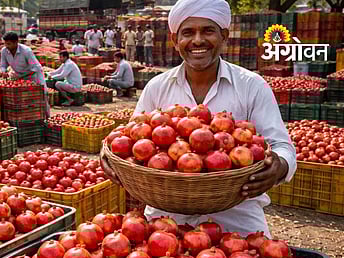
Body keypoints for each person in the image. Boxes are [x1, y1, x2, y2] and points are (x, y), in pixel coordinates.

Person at [100, 0, 297, 239]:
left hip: (236, 223)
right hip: (165, 225)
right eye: (187, 33)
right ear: (175, 40)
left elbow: (282, 147)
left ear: (224, 36)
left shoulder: (252, 86)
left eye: (208, 30)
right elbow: (131, 140)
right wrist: (110, 155)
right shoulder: (157, 87)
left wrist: (279, 167)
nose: (197, 40)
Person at [0, 31, 50, 118]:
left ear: (16, 42)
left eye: (9, 44)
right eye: (5, 44)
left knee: (42, 96)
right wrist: (4, 71)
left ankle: (47, 118)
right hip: (19, 76)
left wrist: (21, 76)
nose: (6, 46)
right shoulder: (4, 51)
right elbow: (3, 64)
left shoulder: (26, 51)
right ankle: (28, 117)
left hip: (34, 76)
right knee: (23, 99)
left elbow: (35, 68)